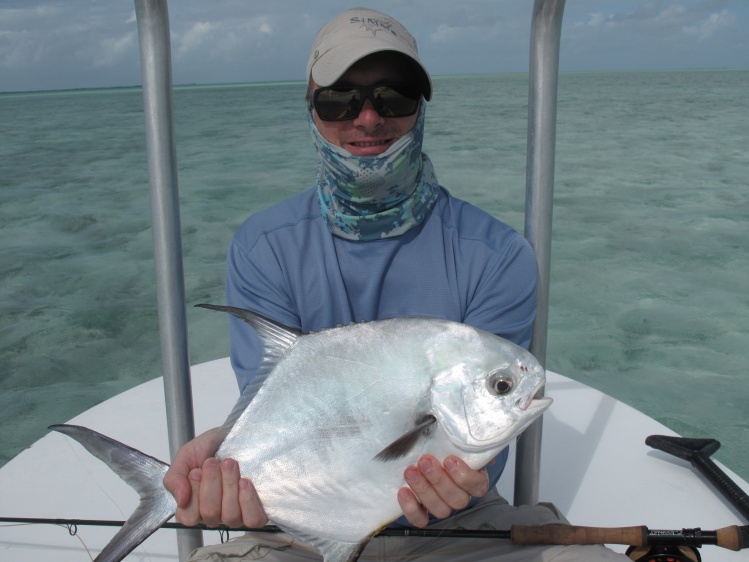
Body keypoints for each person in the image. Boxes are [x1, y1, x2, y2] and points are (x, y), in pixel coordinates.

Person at [164, 8, 630, 561]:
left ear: (421, 107)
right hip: (299, 531)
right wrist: (229, 466)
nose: (367, 119)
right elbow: (278, 410)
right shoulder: (264, 247)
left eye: (394, 97)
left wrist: (464, 478)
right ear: (310, 111)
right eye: (338, 100)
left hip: (458, 525)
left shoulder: (497, 255)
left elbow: (478, 442)